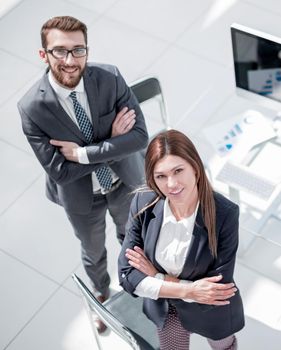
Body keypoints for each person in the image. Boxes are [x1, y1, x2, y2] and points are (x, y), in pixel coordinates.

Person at [18, 16, 148, 333]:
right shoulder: (32, 108)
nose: (70, 60)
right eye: (59, 51)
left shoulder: (110, 77)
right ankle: (102, 293)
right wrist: (112, 142)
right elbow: (60, 172)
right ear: (43, 54)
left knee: (131, 238)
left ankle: (137, 285)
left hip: (122, 184)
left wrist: (83, 152)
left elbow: (140, 137)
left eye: (78, 50)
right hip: (82, 197)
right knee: (93, 252)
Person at [118, 129, 244, 349]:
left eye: (178, 171)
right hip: (165, 308)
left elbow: (216, 290)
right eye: (161, 176)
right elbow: (127, 276)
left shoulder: (224, 214)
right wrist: (190, 290)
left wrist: (157, 277)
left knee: (224, 346)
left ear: (195, 167)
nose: (171, 184)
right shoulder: (143, 203)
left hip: (210, 310)